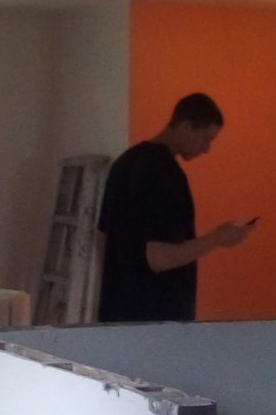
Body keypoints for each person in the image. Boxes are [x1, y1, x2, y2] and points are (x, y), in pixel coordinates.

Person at [95, 93, 254, 322]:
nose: (207, 149)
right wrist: (218, 237)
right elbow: (159, 257)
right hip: (157, 321)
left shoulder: (125, 163)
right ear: (186, 126)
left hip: (116, 313)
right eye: (205, 138)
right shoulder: (166, 175)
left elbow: (102, 238)